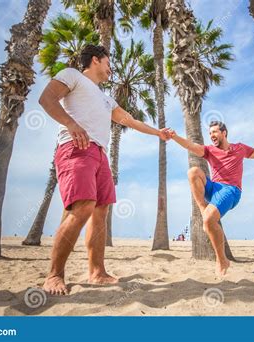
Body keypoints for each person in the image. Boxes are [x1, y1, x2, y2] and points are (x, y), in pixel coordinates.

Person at [38, 45, 171, 295]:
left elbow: (129, 120)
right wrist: (70, 124)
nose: (111, 68)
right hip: (75, 147)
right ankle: (54, 274)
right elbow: (46, 98)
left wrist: (158, 133)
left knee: (101, 211)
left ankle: (97, 272)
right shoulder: (72, 75)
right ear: (96, 60)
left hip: (100, 154)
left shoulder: (105, 98)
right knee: (83, 206)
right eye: (108, 63)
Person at [165, 121, 254, 275]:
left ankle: (221, 260)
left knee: (209, 220)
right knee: (193, 172)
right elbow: (191, 146)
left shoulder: (240, 148)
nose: (211, 136)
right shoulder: (210, 150)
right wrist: (175, 137)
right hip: (214, 188)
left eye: (215, 132)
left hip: (231, 190)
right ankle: (203, 209)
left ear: (224, 133)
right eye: (210, 133)